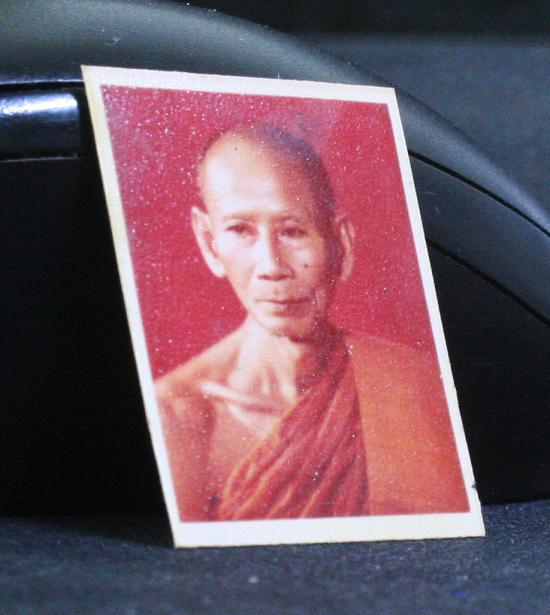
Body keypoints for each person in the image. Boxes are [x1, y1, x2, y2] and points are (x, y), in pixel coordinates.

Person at [155, 124, 468, 522]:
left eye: (292, 231)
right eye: (240, 230)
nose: (271, 267)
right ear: (208, 241)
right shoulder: (177, 416)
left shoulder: (415, 385)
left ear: (342, 244)